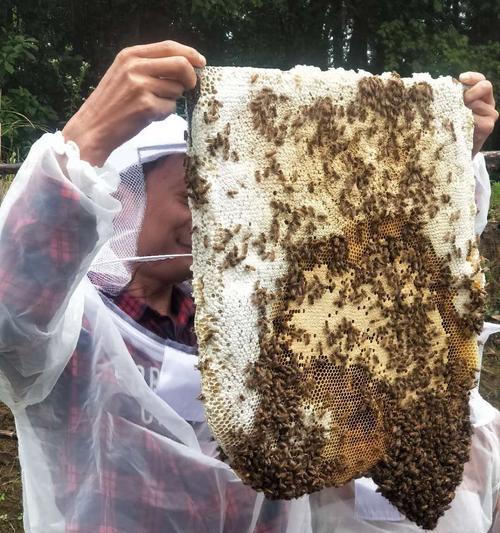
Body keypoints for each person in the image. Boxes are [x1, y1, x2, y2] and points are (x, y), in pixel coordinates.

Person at [0, 39, 498, 533]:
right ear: (122, 197)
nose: (208, 216)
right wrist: (86, 138)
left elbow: (392, 282)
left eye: (214, 195)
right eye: (187, 195)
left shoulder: (246, 311)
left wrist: (440, 155)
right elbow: (12, 315)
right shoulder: (73, 327)